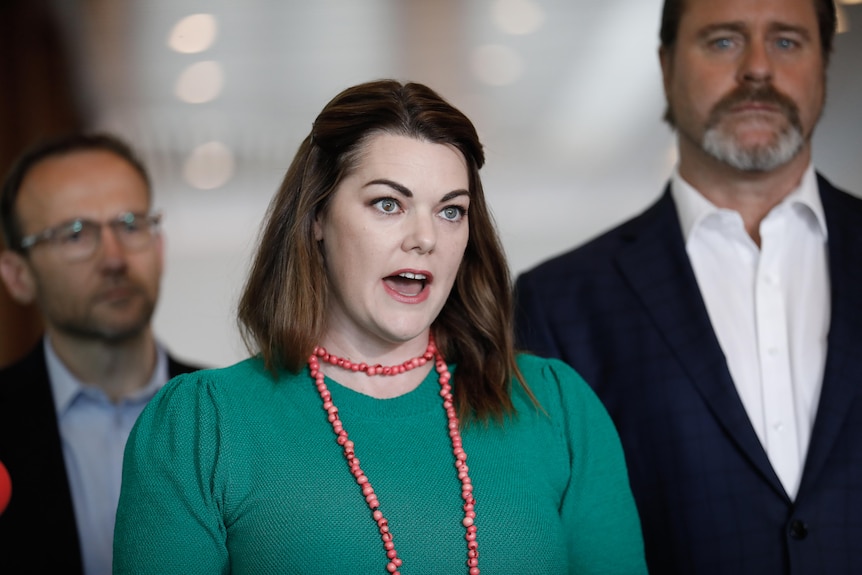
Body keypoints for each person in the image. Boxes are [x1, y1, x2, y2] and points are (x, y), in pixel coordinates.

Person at [113, 79, 647, 574]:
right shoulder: (199, 428)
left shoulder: (557, 407)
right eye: (388, 203)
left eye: (451, 211)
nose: (424, 238)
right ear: (316, 218)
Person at [514, 0, 862, 573]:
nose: (757, 68)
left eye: (787, 42)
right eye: (724, 41)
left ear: (823, 63)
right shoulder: (560, 303)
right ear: (665, 65)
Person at [0, 133, 203, 575]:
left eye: (131, 225)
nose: (114, 258)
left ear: (159, 247)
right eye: (74, 234)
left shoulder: (230, 414)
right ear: (17, 276)